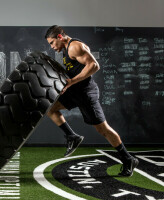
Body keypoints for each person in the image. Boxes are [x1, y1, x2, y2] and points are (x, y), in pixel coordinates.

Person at [45, 25, 139, 176]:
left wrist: (71, 81)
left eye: (52, 43)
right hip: (75, 93)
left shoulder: (75, 47)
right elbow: (75, 69)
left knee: (103, 129)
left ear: (60, 37)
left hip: (86, 94)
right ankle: (71, 136)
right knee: (50, 107)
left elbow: (94, 65)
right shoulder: (67, 49)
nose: (52, 46)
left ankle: (128, 159)